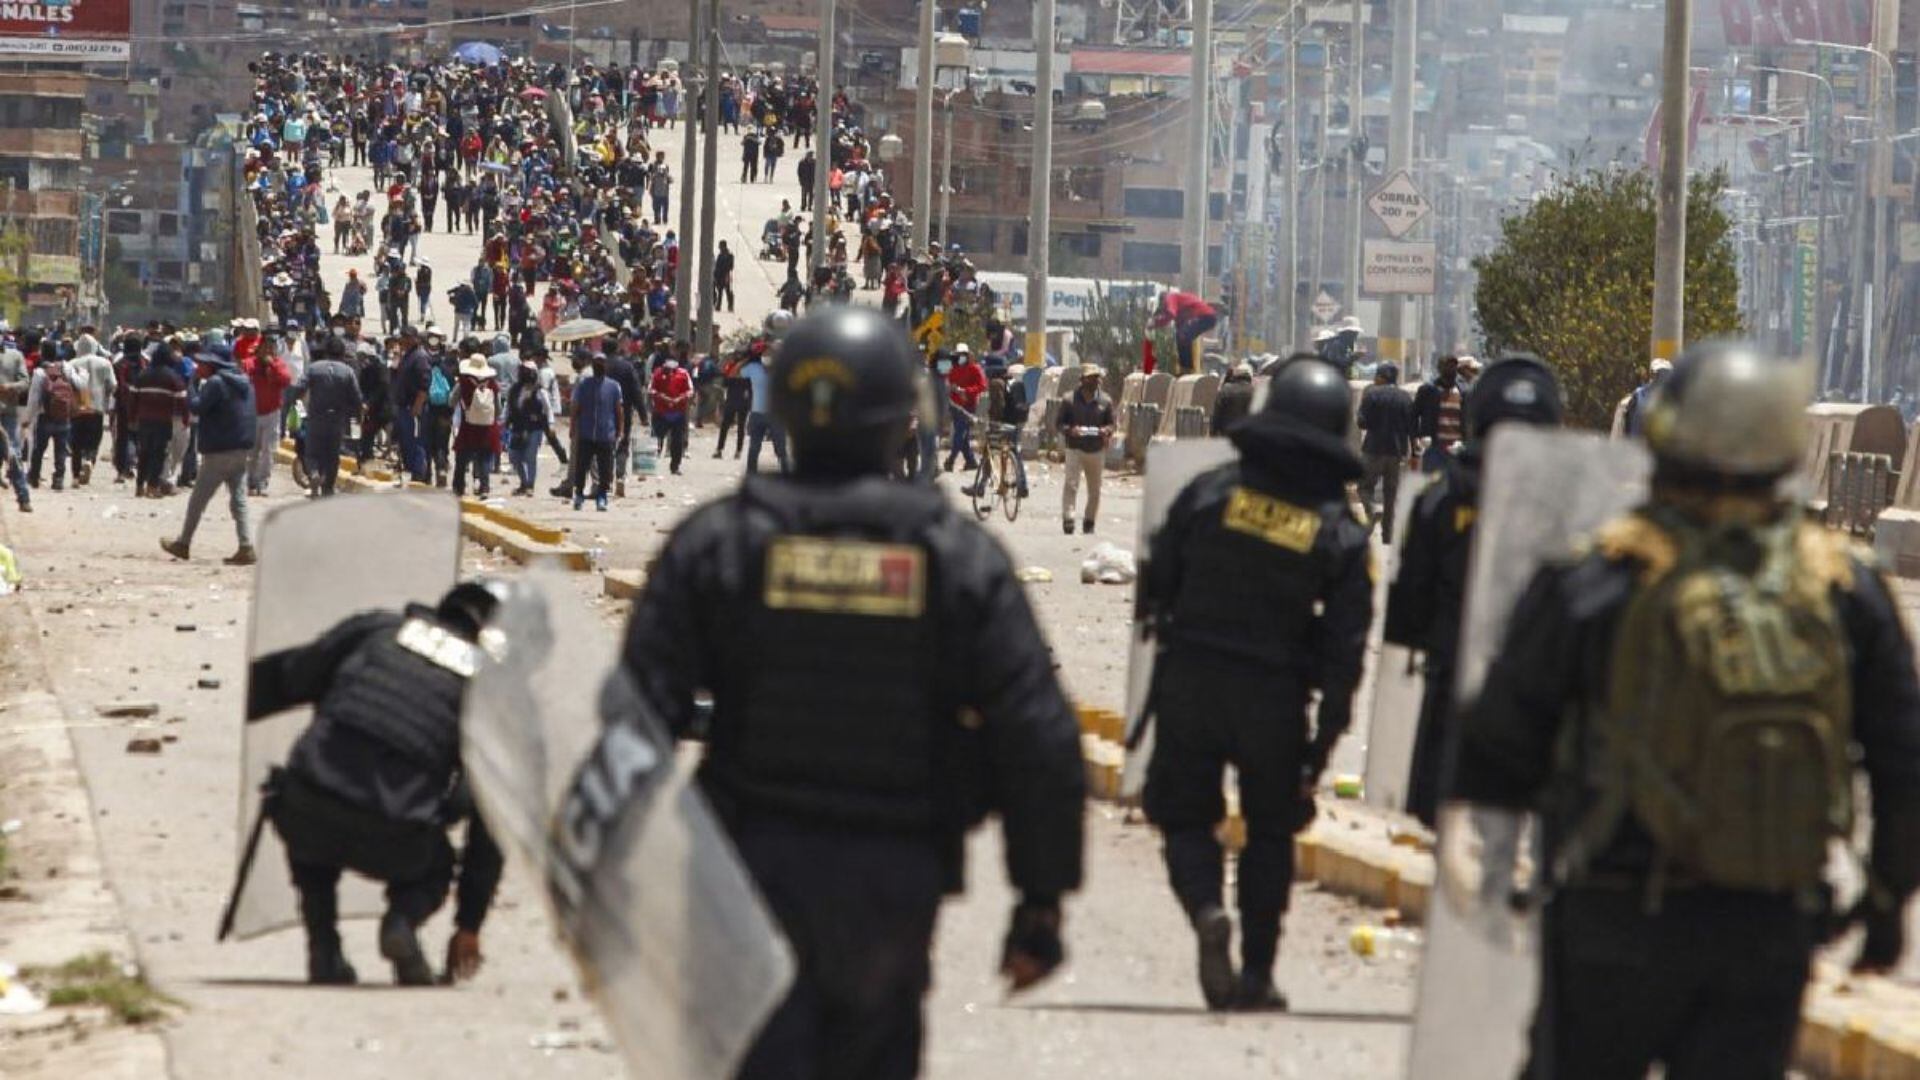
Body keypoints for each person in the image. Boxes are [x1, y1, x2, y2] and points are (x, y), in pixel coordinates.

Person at [617, 306, 1085, 1078]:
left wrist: (618, 877)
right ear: (903, 417)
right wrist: (1040, 900)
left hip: (742, 867)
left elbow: (635, 720)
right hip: (892, 880)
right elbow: (1035, 732)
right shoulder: (952, 555)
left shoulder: (720, 542)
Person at [1452, 342, 1920, 1077]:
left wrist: (1506, 870)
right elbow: (1902, 757)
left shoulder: (1602, 573)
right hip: (1769, 923)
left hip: (1614, 910)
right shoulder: (1843, 586)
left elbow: (1498, 742)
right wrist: (1888, 898)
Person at [1137, 354, 1371, 1011]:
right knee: (1270, 833)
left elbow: (1158, 583)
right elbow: (1347, 652)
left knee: (1183, 815)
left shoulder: (1210, 492)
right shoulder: (1340, 532)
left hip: (1192, 678)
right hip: (1275, 695)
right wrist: (1321, 747)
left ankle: (1209, 909)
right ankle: (1258, 975)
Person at [246, 582, 506, 986]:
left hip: (306, 816)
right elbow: (488, 824)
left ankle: (324, 948)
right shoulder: (487, 695)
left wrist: (235, 706)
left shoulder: (376, 632)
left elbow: (289, 676)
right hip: (396, 841)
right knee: (437, 865)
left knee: (311, 802)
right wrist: (469, 924)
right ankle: (402, 922)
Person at [1386, 355, 1563, 827]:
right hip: (1536, 691)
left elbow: (1407, 606)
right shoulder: (1562, 508)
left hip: (1452, 678)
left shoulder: (1441, 499)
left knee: (1435, 820)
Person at [160, 345, 257, 566]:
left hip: (219, 450)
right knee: (239, 500)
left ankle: (183, 543)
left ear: (214, 365)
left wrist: (191, 385)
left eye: (202, 363)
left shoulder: (216, 383)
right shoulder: (244, 382)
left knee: (198, 500)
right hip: (241, 448)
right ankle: (245, 545)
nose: (198, 366)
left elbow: (196, 407)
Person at [295, 339, 363, 497]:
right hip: (337, 419)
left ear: (326, 352)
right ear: (342, 354)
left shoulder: (314, 368)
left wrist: (299, 411)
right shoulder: (347, 371)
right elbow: (357, 398)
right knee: (332, 455)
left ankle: (313, 474)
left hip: (316, 417)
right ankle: (328, 488)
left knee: (312, 452)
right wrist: (357, 418)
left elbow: (299, 389)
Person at [1355, 361, 1413, 541]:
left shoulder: (1372, 394)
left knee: (1364, 487)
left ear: (1381, 377)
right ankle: (1388, 534)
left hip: (1373, 449)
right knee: (1391, 493)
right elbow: (1411, 426)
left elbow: (1361, 422)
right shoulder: (1405, 397)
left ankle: (1372, 510)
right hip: (1396, 452)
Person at [1056, 364, 1114, 535]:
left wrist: (1107, 431)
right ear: (1083, 380)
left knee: (1094, 490)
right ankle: (1068, 519)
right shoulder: (1069, 400)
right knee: (1071, 485)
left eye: (1097, 377)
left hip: (1096, 449)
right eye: (1092, 377)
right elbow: (1059, 423)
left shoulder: (1105, 401)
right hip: (1075, 448)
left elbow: (1111, 423)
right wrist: (1070, 430)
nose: (1096, 381)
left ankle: (1089, 521)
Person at [131, 343, 186, 498]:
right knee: (158, 454)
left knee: (144, 453)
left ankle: (139, 486)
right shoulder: (172, 376)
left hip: (144, 420)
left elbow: (133, 397)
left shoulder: (143, 375)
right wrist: (185, 417)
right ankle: (152, 486)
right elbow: (182, 398)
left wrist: (132, 417)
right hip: (163, 421)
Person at [569, 353, 622, 512]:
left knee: (605, 469)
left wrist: (620, 429)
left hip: (605, 434)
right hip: (586, 432)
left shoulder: (613, 386)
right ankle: (578, 495)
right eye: (597, 363)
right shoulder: (584, 384)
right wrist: (573, 427)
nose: (600, 365)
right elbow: (576, 407)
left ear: (606, 366)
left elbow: (619, 410)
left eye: (602, 363)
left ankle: (602, 497)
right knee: (581, 466)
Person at [451, 354, 500, 498]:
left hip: (469, 426)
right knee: (484, 458)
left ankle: (459, 487)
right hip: (488, 427)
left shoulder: (463, 382)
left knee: (461, 457)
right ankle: (484, 487)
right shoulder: (492, 384)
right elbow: (498, 408)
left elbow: (451, 400)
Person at [742, 336, 788, 474]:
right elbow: (733, 372)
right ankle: (751, 475)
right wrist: (746, 357)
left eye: (772, 353)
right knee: (754, 448)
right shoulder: (753, 368)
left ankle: (787, 475)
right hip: (757, 414)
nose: (769, 355)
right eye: (766, 353)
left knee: (780, 449)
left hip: (777, 415)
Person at [1410, 354, 1464, 470]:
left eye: (1453, 366)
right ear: (1440, 369)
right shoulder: (1428, 391)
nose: (1451, 369)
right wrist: (1416, 439)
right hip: (1433, 447)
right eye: (1447, 366)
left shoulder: (1462, 392)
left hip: (1455, 448)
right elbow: (1413, 416)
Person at [504, 361, 551, 496]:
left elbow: (548, 409)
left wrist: (550, 424)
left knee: (530, 457)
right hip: (518, 426)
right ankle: (523, 482)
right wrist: (505, 421)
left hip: (534, 428)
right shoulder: (515, 389)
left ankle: (530, 485)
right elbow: (509, 407)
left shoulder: (540, 391)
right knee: (514, 456)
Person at [1149, 290, 1220, 375]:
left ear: (1163, 300)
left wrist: (1155, 323)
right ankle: (1185, 368)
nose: (1165, 310)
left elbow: (1171, 314)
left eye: (1164, 309)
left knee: (1183, 336)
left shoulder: (1170, 297)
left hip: (1205, 315)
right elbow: (1174, 322)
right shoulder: (1180, 308)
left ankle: (1187, 369)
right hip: (1208, 317)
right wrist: (1157, 324)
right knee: (1180, 337)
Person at [941, 344, 986, 474]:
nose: (961, 358)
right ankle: (970, 461)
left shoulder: (975, 368)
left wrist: (965, 391)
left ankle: (951, 459)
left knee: (960, 432)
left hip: (968, 405)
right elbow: (941, 375)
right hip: (954, 405)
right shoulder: (951, 366)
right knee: (963, 433)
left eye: (963, 355)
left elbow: (982, 386)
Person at [648, 354, 693, 475]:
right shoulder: (657, 373)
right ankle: (648, 466)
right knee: (655, 438)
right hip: (661, 412)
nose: (670, 371)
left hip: (678, 413)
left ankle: (675, 466)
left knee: (677, 442)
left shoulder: (683, 374)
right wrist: (662, 397)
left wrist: (680, 398)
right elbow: (651, 389)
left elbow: (690, 390)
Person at [1619, 357, 1673, 437]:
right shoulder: (1639, 395)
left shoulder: (1672, 398)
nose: (1660, 377)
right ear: (1652, 374)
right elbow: (1627, 424)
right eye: (1658, 373)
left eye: (1664, 373)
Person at [1209, 362, 1254, 436]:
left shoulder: (1225, 389)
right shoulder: (1254, 391)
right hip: (1246, 435)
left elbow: (1217, 413)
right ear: (1250, 376)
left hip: (1227, 433)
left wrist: (1213, 432)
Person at [712, 240, 736, 313]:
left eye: (720, 246)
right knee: (720, 291)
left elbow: (731, 266)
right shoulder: (721, 255)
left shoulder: (729, 255)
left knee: (728, 291)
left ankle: (730, 306)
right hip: (720, 275)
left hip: (726, 275)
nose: (719, 248)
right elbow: (717, 266)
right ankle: (718, 306)